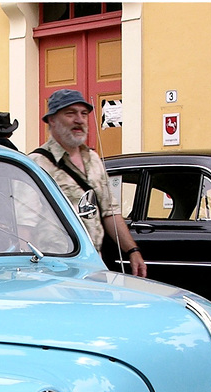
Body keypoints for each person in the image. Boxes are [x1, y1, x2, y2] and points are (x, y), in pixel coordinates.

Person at [29, 89, 147, 277]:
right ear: (52, 120)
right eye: (70, 113)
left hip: (95, 267)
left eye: (83, 114)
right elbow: (25, 225)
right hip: (54, 271)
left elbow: (110, 212)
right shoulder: (37, 164)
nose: (79, 120)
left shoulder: (93, 159)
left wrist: (132, 251)